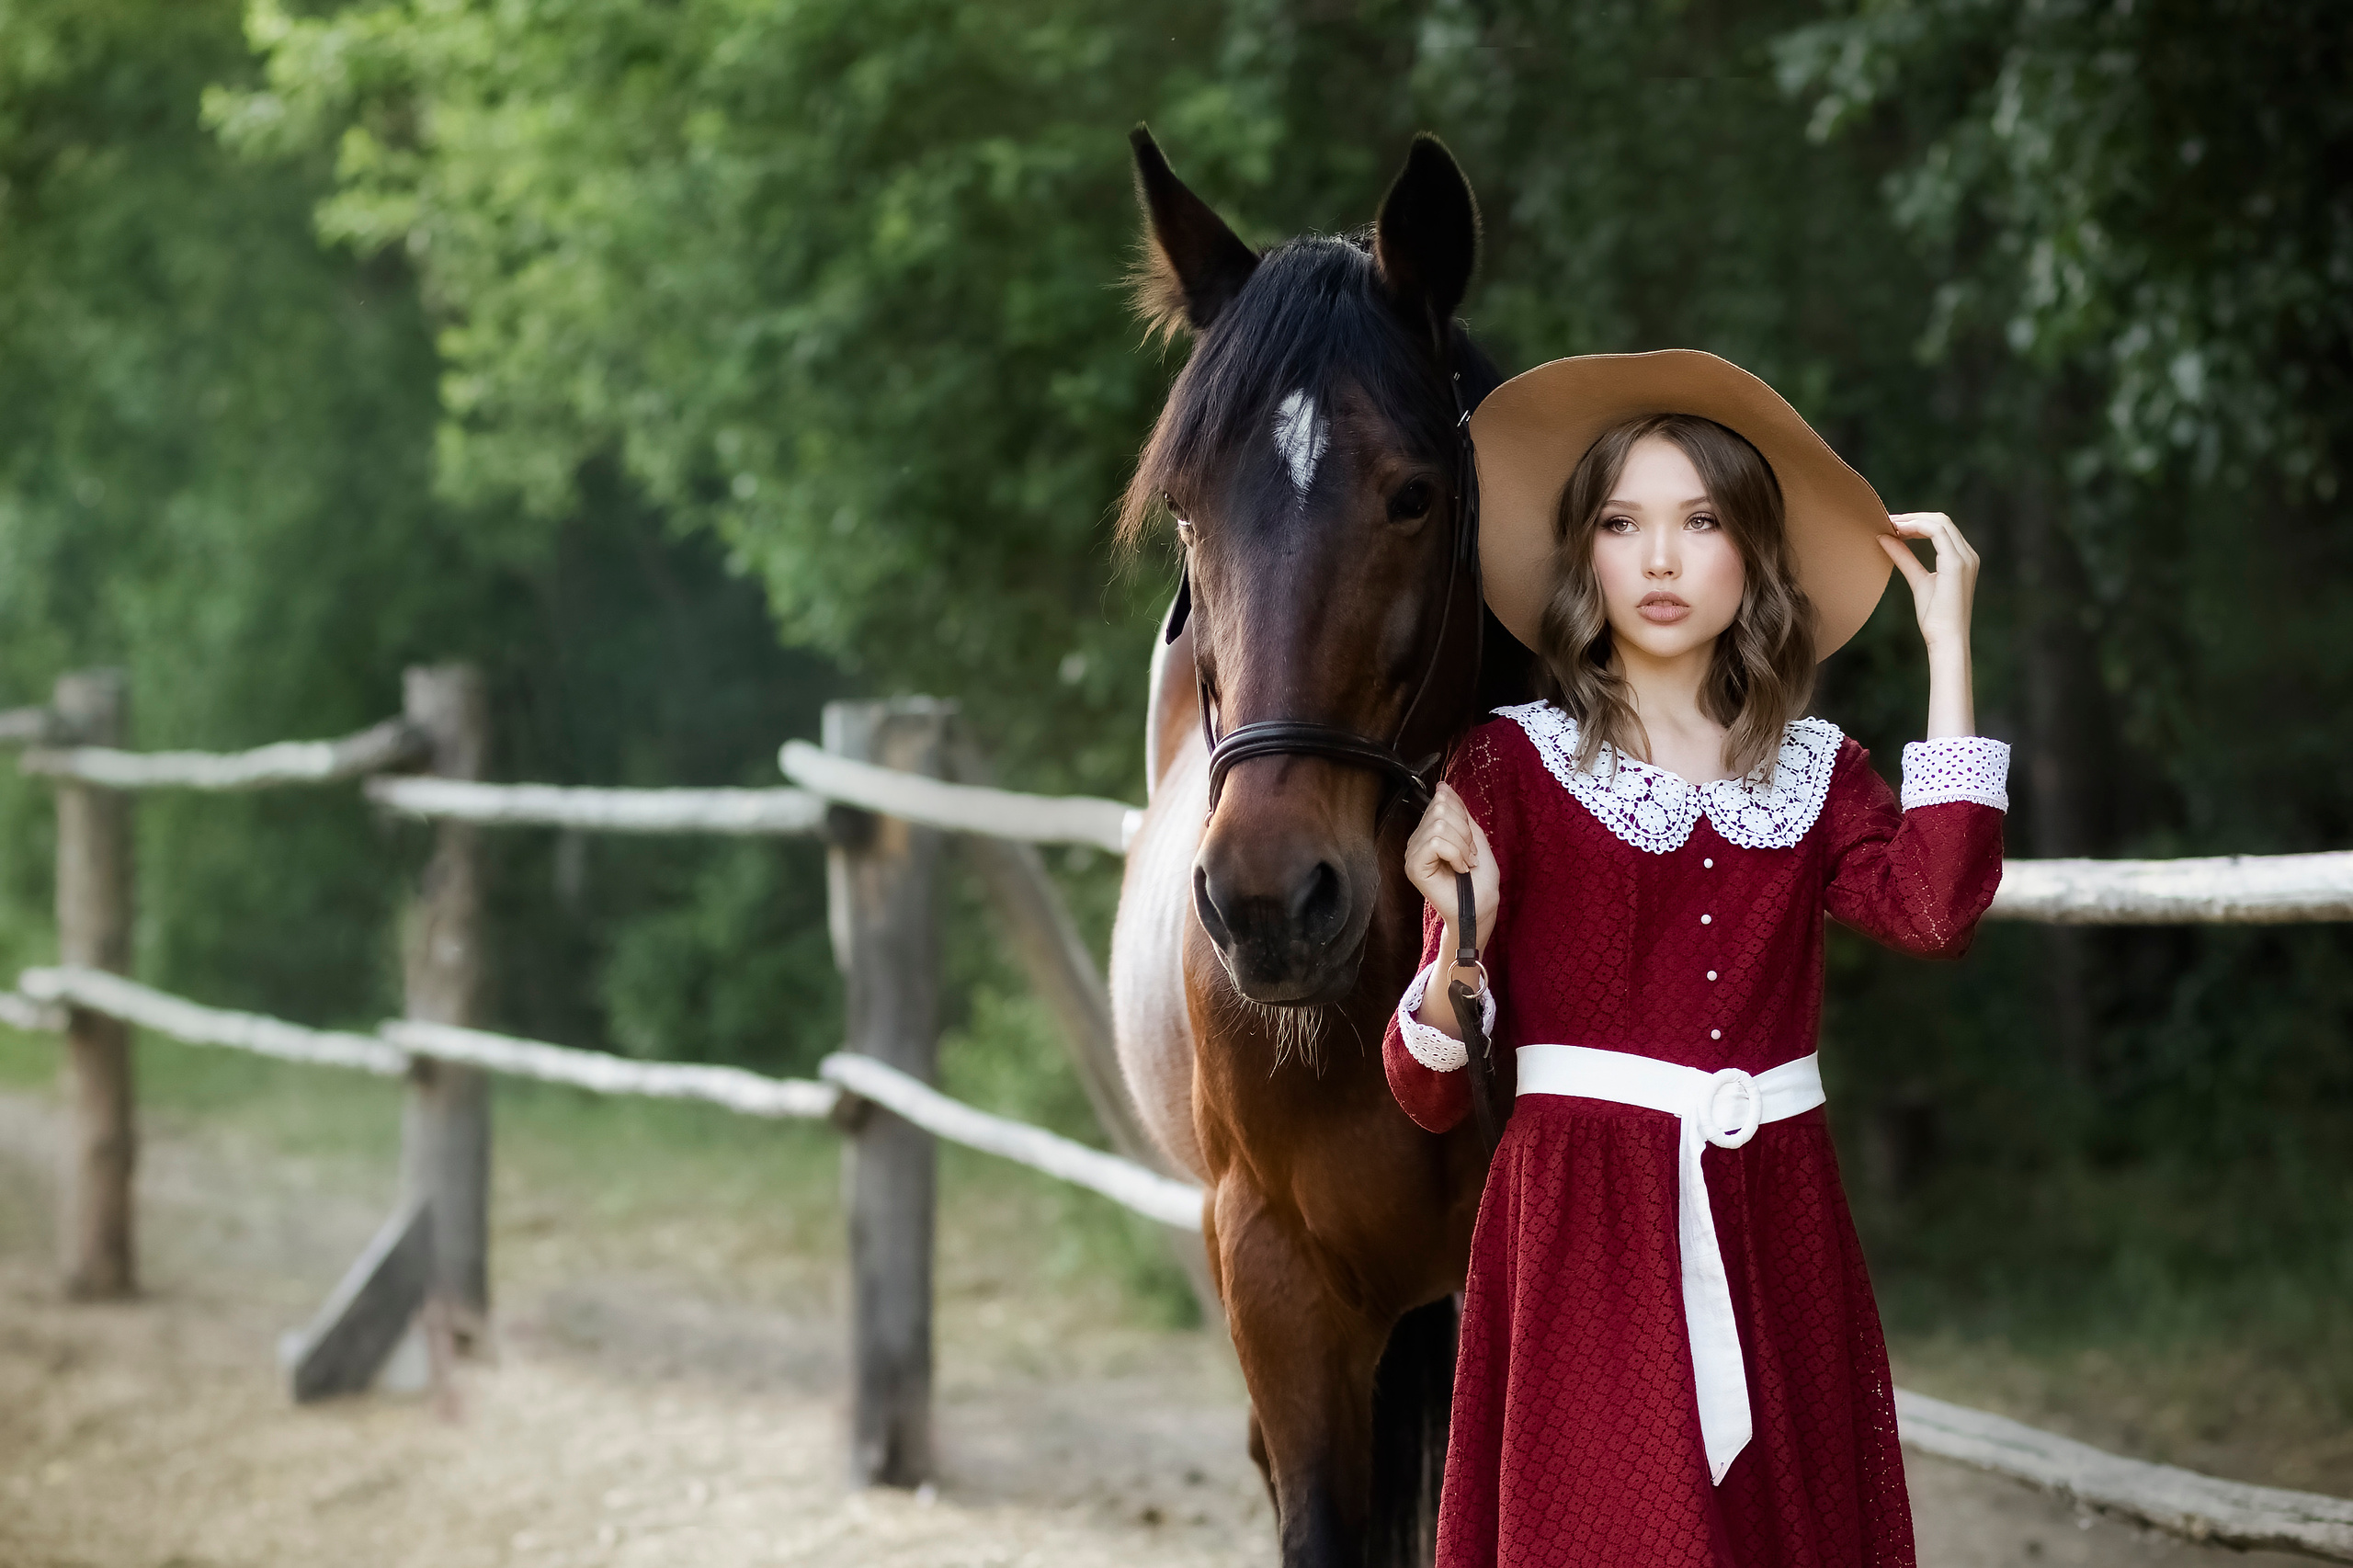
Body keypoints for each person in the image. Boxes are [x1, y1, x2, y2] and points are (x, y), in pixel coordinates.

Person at [1385, 349, 2009, 1567]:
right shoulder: (1508, 766)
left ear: (1755, 555)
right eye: (1623, 524)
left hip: (1780, 1214)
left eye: (1701, 521)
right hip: (1585, 1226)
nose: (1660, 559)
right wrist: (1465, 931)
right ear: (1585, 556)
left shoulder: (1817, 771)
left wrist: (1948, 647)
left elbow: (1934, 912)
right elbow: (1424, 1086)